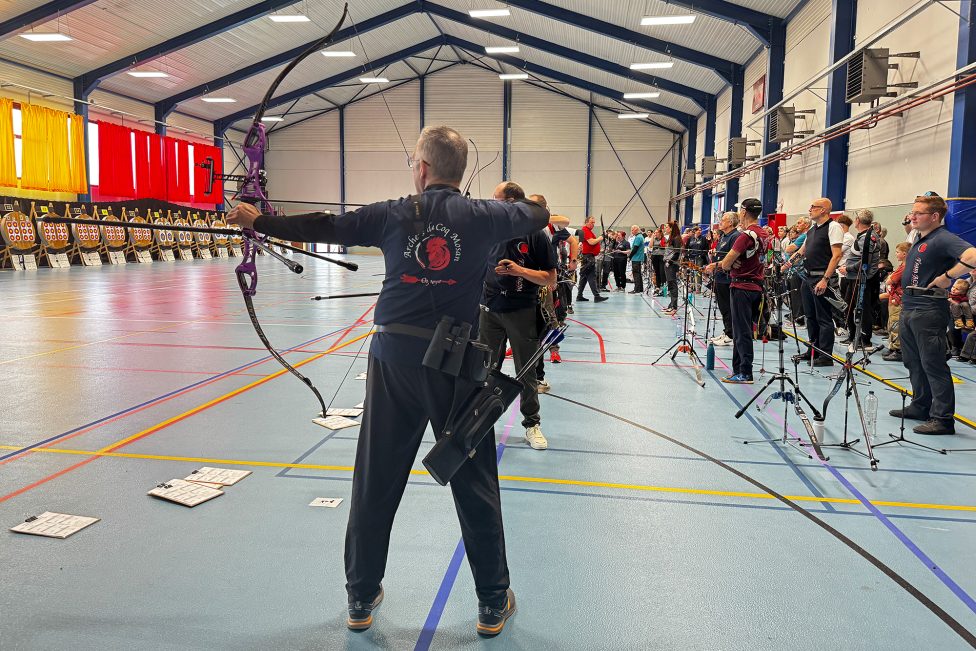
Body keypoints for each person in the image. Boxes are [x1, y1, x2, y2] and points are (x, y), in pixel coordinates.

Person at [227, 126, 549, 636]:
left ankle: (360, 597)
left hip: (395, 359)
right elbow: (538, 214)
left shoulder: (395, 211)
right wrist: (525, 203)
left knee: (377, 477)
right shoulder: (487, 216)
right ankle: (492, 602)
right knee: (474, 479)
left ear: (421, 168)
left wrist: (259, 218)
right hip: (458, 365)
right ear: (460, 172)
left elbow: (325, 224)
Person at [481, 181, 558, 450]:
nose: (492, 203)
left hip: (520, 310)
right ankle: (480, 422)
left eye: (497, 198)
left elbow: (551, 278)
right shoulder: (489, 230)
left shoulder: (535, 234)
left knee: (525, 371)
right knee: (485, 368)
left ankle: (532, 424)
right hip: (488, 309)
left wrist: (520, 271)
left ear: (512, 202)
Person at [891, 194, 976, 435]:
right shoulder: (920, 238)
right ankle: (920, 405)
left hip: (928, 309)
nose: (912, 216)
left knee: (933, 363)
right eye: (912, 211)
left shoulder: (943, 238)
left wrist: (948, 277)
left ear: (935, 216)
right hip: (910, 305)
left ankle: (942, 419)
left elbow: (972, 256)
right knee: (913, 361)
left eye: (918, 213)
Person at [705, 198, 767, 383]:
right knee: (744, 330)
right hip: (756, 286)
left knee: (742, 332)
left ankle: (745, 372)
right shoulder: (763, 233)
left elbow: (726, 263)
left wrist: (725, 264)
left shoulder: (745, 236)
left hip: (742, 287)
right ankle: (739, 369)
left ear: (743, 212)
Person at [791, 198, 844, 367]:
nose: (810, 209)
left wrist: (825, 279)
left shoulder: (833, 227)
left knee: (824, 318)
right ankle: (813, 349)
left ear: (823, 210)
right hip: (808, 278)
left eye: (813, 207)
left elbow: (836, 255)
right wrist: (784, 266)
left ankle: (825, 355)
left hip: (822, 278)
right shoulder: (812, 230)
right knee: (810, 316)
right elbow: (802, 251)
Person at [837, 209, 881, 352]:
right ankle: (852, 336)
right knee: (849, 306)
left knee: (863, 309)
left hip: (860, 279)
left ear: (858, 221)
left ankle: (865, 340)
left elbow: (865, 261)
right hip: (853, 277)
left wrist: (848, 268)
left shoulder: (868, 237)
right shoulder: (863, 236)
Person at [710, 212, 739, 347]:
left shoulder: (735, 236)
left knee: (728, 308)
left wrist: (715, 265)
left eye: (723, 220)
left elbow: (732, 258)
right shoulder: (723, 236)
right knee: (723, 307)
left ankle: (731, 335)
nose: (720, 222)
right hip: (719, 277)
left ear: (731, 223)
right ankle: (727, 331)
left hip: (728, 278)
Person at [881, 241, 910, 361]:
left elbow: (889, 280)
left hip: (898, 301)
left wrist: (890, 277)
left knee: (895, 325)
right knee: (891, 324)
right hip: (894, 299)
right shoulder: (903, 266)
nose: (896, 254)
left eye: (898, 252)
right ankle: (893, 347)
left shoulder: (904, 268)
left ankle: (898, 350)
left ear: (904, 254)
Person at [576, 215, 608, 303]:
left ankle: (579, 296)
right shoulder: (585, 230)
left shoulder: (587, 231)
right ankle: (596, 296)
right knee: (591, 277)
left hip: (588, 257)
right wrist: (601, 237)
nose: (593, 224)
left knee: (584, 277)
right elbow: (591, 242)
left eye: (594, 223)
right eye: (591, 222)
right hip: (588, 258)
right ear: (586, 222)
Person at [661, 221, 683, 314]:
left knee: (673, 284)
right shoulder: (671, 237)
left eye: (666, 227)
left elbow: (677, 253)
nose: (665, 229)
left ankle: (674, 307)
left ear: (671, 228)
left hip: (672, 264)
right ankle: (671, 305)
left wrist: (669, 262)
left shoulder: (676, 238)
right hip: (667, 263)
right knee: (670, 284)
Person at [628, 224, 646, 294]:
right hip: (638, 258)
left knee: (636, 274)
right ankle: (640, 288)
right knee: (638, 273)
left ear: (636, 230)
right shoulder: (640, 236)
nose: (631, 231)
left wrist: (630, 257)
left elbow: (635, 249)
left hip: (636, 258)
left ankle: (636, 289)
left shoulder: (638, 237)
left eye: (632, 230)